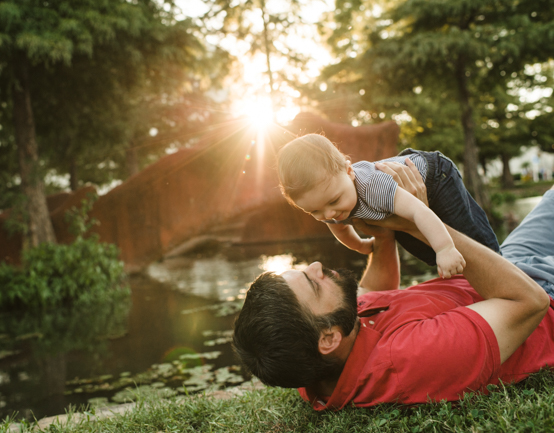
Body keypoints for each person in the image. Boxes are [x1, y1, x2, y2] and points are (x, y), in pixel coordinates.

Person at [233, 161, 554, 410]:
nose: (317, 266)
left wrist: (382, 231)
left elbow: (374, 292)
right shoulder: (413, 357)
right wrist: (417, 222)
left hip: (500, 269)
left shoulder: (320, 355)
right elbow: (529, 301)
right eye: (313, 283)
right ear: (328, 337)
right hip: (538, 292)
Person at [277, 134, 500, 278]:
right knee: (427, 253)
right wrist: (360, 245)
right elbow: (339, 227)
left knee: (469, 234)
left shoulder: (373, 187)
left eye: (334, 201)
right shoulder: (330, 201)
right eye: (314, 211)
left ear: (349, 172)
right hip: (393, 202)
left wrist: (445, 248)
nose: (329, 214)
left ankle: (500, 263)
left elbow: (418, 210)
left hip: (435, 177)